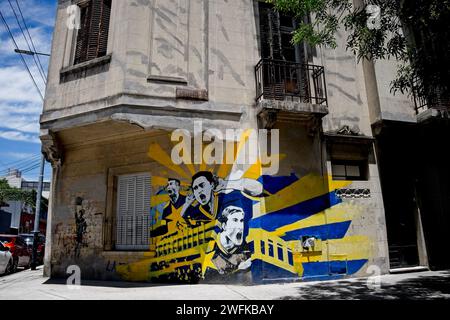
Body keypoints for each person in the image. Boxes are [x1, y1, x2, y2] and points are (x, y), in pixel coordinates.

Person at [181, 171, 263, 226]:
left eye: (202, 185)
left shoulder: (227, 198)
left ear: (212, 185)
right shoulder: (198, 210)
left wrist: (226, 184)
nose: (199, 190)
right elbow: (183, 216)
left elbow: (258, 189)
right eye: (195, 188)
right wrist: (187, 203)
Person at [207, 205, 252, 279]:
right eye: (235, 220)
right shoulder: (211, 249)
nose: (240, 227)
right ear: (224, 226)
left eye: (241, 221)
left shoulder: (246, 248)